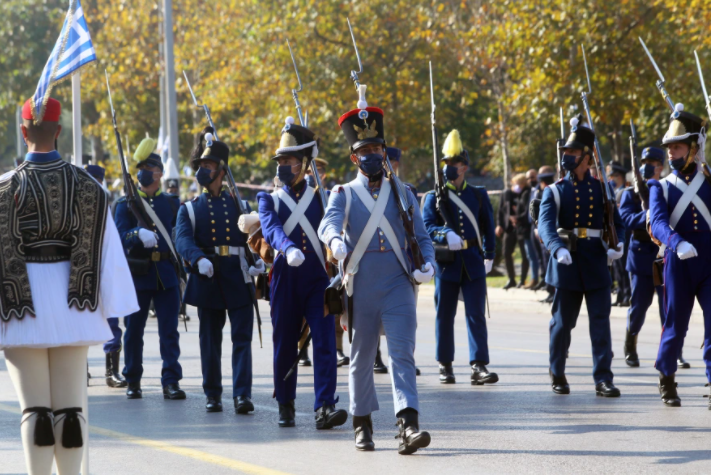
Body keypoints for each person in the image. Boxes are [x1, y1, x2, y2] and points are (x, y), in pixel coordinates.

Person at [0, 97, 138, 474]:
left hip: (21, 304)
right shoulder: (90, 188)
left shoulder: (2, 189)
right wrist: (109, 306)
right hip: (74, 303)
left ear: (23, 131)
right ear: (59, 131)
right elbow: (106, 253)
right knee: (70, 410)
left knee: (35, 410)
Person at [319, 97, 435, 454]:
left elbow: (421, 234)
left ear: (384, 152)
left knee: (403, 353)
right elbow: (329, 223)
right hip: (362, 282)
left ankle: (408, 425)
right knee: (362, 356)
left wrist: (427, 264)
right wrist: (336, 241)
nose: (372, 155)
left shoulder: (403, 192)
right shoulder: (343, 193)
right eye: (365, 150)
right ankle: (362, 423)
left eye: (377, 148)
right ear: (354, 157)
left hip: (399, 282)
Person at [256, 117, 347, 429]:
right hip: (284, 278)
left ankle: (325, 405)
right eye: (280, 160)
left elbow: (334, 225)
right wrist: (285, 247)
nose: (283, 165)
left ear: (304, 163)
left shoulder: (321, 197)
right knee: (285, 342)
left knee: (323, 341)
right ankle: (286, 402)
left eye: (290, 160)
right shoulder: (268, 198)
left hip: (316, 280)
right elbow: (270, 227)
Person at [174, 127, 260, 413]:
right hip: (207, 277)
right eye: (200, 165)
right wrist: (198, 259)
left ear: (221, 171)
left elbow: (253, 238)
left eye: (208, 166)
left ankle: (242, 395)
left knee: (242, 339)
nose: (202, 170)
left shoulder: (241, 205)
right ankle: (213, 393)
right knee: (210, 341)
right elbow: (182, 239)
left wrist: (257, 258)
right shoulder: (189, 208)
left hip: (237, 275)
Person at [537, 117, 625, 397]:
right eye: (565, 153)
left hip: (596, 262)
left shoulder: (602, 188)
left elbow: (617, 222)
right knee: (563, 324)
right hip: (567, 263)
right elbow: (546, 225)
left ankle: (603, 378)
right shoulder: (554, 190)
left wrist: (617, 243)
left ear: (588, 157)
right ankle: (557, 371)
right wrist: (557, 248)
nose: (567, 157)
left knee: (600, 322)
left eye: (573, 153)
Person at [422, 129, 498, 385]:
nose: (449, 168)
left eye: (454, 163)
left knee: (476, 314)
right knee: (444, 315)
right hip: (447, 264)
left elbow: (488, 226)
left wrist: (489, 255)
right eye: (446, 163)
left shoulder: (477, 194)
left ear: (464, 166)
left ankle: (478, 365)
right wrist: (445, 233)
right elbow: (426, 227)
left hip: (473, 261)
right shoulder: (433, 197)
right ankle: (445, 364)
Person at [648, 104, 710, 408]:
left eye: (677, 147)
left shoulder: (709, 179)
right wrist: (676, 242)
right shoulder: (660, 187)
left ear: (694, 147)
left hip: (709, 261)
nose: (670, 153)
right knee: (676, 324)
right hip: (678, 260)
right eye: (669, 148)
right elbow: (657, 223)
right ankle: (667, 377)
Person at [115, 137, 185, 400]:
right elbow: (119, 236)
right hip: (138, 275)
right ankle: (133, 379)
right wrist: (136, 233)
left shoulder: (171, 203)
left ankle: (171, 381)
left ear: (159, 174)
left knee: (169, 331)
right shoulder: (125, 204)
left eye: (148, 169)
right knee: (134, 331)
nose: (143, 173)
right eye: (140, 169)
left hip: (165, 273)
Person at [619, 147, 689, 368]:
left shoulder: (668, 189)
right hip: (641, 258)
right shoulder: (630, 193)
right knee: (639, 306)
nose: (649, 166)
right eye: (645, 161)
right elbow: (627, 220)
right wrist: (648, 215)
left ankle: (673, 351)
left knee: (669, 306)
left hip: (664, 256)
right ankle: (630, 345)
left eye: (653, 162)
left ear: (661, 166)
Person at [84, 163, 128, 388]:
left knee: (112, 321)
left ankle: (112, 371)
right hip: (80, 272)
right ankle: (80, 369)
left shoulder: (106, 205)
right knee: (80, 321)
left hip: (103, 268)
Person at [497, 174, 530, 289]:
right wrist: (499, 225)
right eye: (516, 183)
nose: (517, 186)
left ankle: (523, 280)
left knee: (525, 255)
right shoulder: (506, 194)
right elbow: (501, 211)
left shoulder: (526, 193)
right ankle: (511, 279)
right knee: (506, 252)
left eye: (520, 184)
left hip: (522, 228)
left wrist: (518, 219)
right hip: (509, 228)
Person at [609, 162, 632, 307]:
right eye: (611, 175)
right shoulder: (612, 191)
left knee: (624, 266)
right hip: (614, 232)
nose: (612, 178)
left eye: (615, 176)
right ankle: (620, 293)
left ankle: (627, 294)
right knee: (617, 267)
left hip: (625, 232)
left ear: (621, 177)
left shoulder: (627, 191)